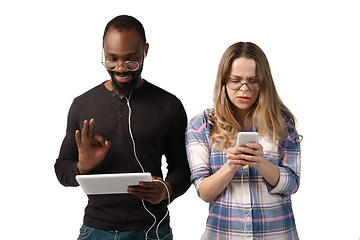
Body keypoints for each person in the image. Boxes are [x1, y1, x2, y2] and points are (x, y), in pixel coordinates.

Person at [55, 15, 191, 240]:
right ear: (103, 50)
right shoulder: (82, 104)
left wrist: (166, 191)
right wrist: (82, 167)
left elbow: (183, 168)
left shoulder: (169, 105)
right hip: (95, 230)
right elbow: (62, 169)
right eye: (111, 59)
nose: (120, 68)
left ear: (145, 51)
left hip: (152, 231)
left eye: (131, 60)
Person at [185, 42, 301, 239]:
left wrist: (261, 163)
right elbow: (204, 192)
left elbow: (292, 184)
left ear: (263, 82)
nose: (244, 89)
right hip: (223, 234)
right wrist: (230, 166)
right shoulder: (202, 125)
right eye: (235, 80)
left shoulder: (282, 122)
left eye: (253, 80)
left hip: (277, 234)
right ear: (223, 81)